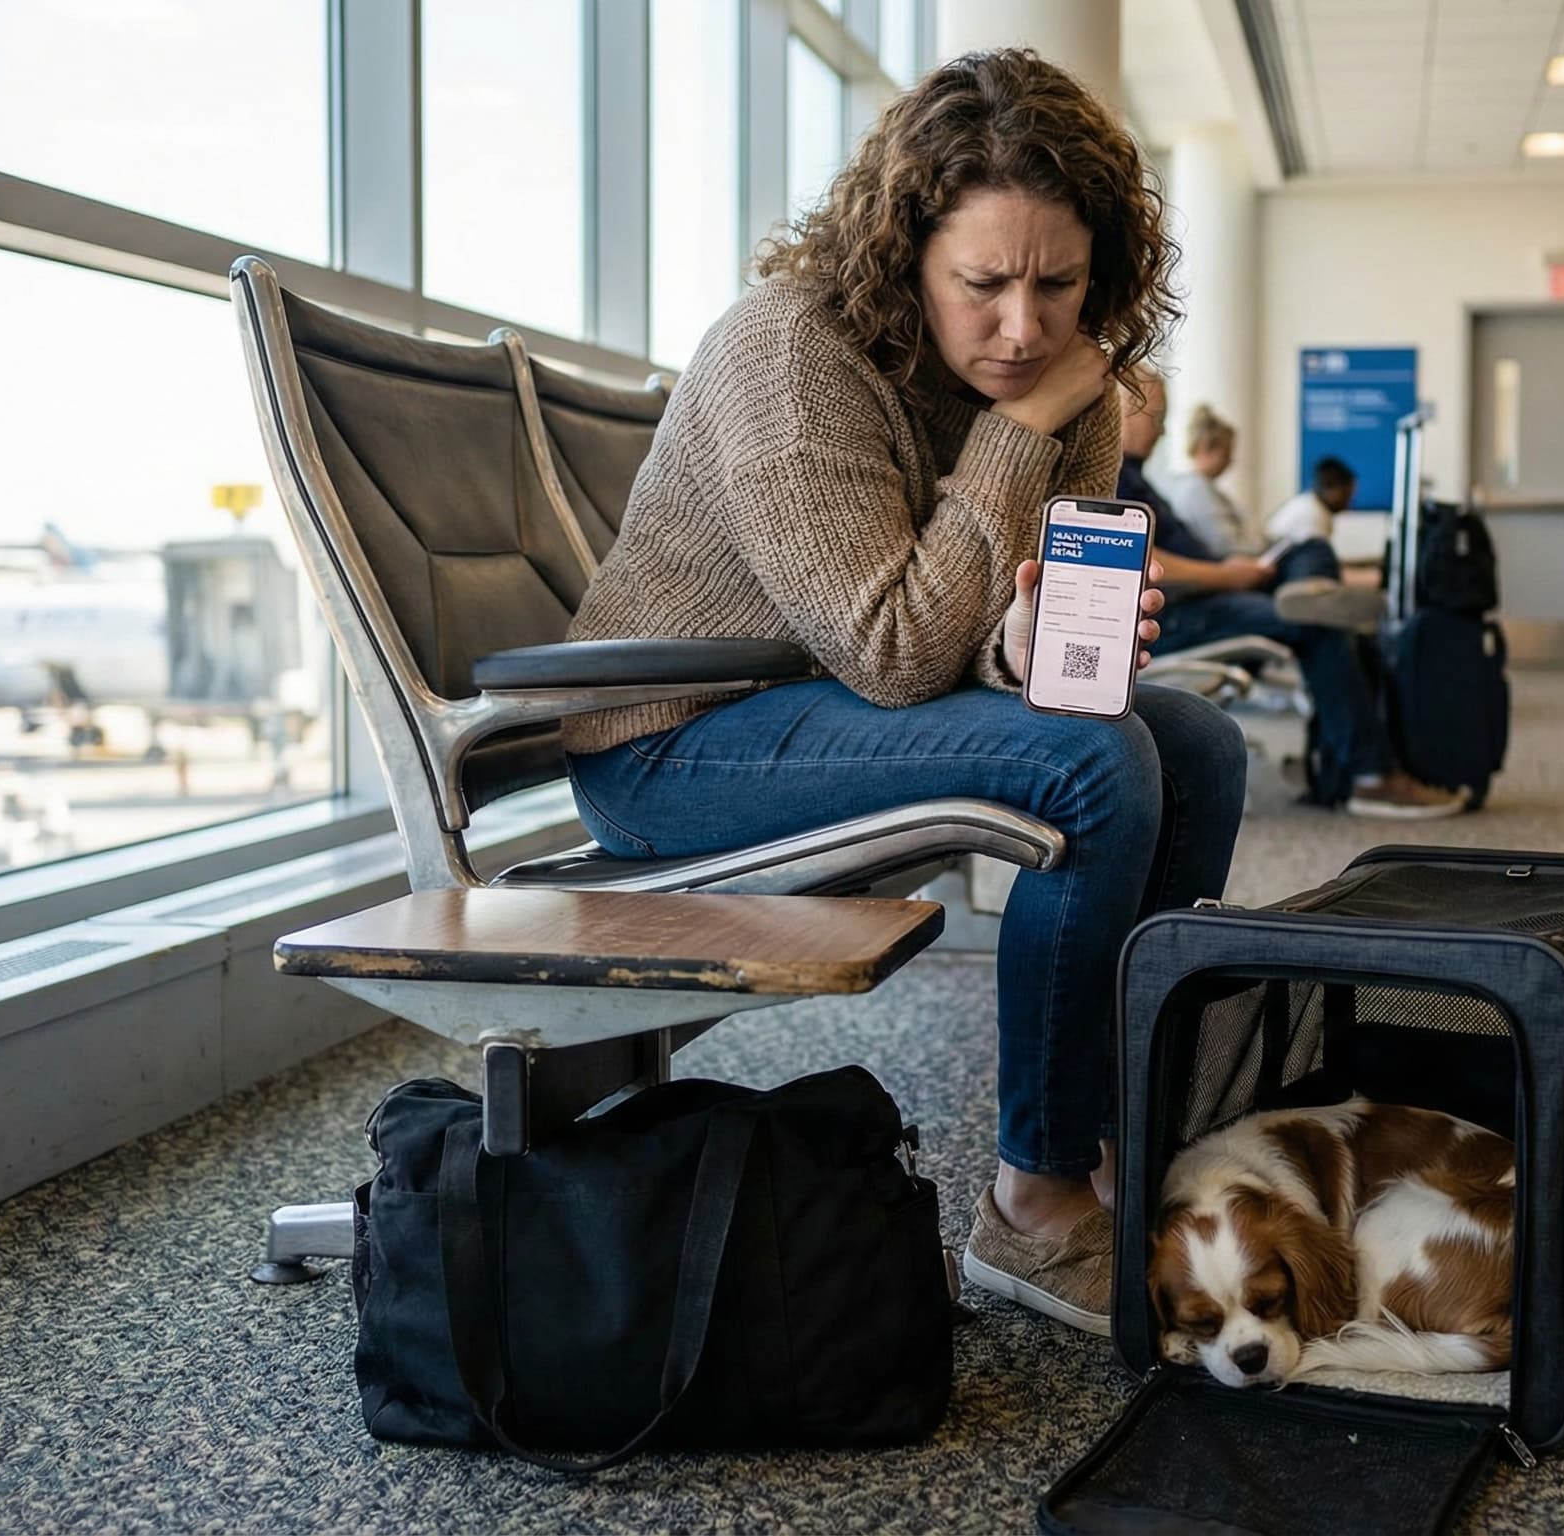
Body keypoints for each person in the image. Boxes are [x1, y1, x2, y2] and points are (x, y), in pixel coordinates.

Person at [558, 51, 1234, 1334]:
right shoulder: (789, 349)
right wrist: (1020, 438)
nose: (1024, 328)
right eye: (982, 284)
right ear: (905, 254)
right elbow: (890, 649)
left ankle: (1116, 1146)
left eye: (1060, 283)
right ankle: (1033, 1206)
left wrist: (1031, 645)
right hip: (673, 748)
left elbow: (977, 639)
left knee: (1194, 742)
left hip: (831, 712)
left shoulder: (1059, 377)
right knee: (1093, 767)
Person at [1116, 371, 1458, 818]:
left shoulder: (1139, 477)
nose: (1161, 428)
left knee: (1309, 551)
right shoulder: (1112, 473)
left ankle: (1307, 595)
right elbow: (1141, 556)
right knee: (1319, 625)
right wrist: (1229, 576)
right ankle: (1369, 776)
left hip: (1209, 596)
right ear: (1120, 410)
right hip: (1177, 614)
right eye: (1155, 414)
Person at [1162, 403, 1264, 555]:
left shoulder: (1190, 485)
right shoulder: (1196, 489)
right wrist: (1260, 542)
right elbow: (1224, 545)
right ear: (1204, 448)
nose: (1230, 461)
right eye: (1226, 454)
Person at [1266, 457, 1357, 546]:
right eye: (1348, 495)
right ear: (1333, 490)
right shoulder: (1313, 515)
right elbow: (1318, 557)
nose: (1350, 502)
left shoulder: (1307, 503)